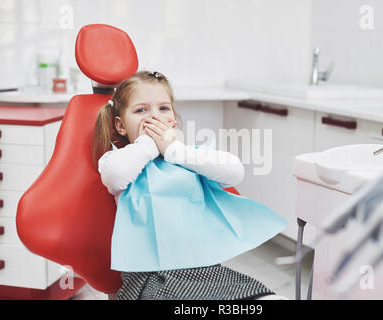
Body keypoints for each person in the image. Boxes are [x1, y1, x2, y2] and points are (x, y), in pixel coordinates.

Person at [92, 70, 288, 300]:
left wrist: (175, 150)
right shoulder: (118, 160)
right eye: (141, 110)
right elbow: (115, 175)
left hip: (207, 271)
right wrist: (148, 144)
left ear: (173, 120)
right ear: (121, 125)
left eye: (163, 109)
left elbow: (234, 171)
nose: (153, 117)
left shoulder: (188, 157)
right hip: (151, 276)